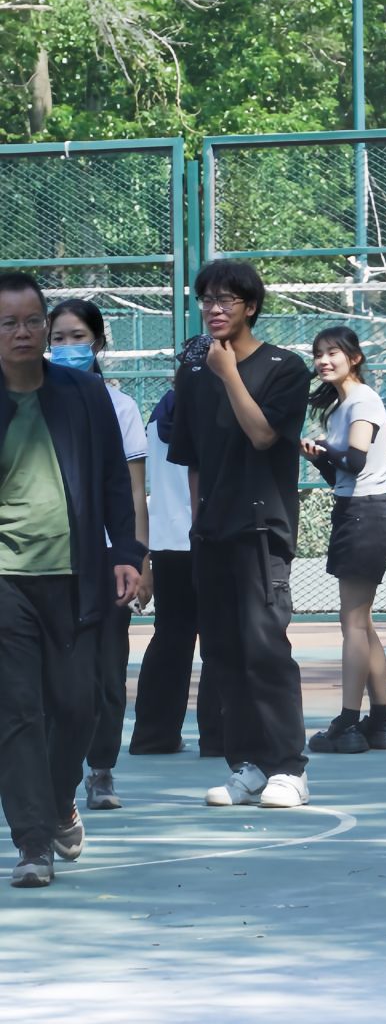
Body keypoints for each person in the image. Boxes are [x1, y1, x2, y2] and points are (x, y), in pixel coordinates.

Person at [0, 272, 142, 888]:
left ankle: (60, 801)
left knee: (78, 705)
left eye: (32, 320)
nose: (23, 332)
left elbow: (114, 477)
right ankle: (33, 844)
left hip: (77, 575)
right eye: (8, 323)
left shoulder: (83, 394)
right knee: (18, 712)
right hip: (6, 580)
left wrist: (127, 551)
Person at [168, 261, 314, 811]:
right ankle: (247, 765)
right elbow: (192, 460)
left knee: (264, 648)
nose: (214, 308)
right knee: (223, 653)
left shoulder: (284, 368)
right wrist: (197, 523)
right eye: (207, 299)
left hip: (261, 530)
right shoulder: (193, 373)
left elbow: (262, 435)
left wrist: (228, 372)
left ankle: (289, 767)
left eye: (226, 299)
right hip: (212, 533)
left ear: (250, 306)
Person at [47, 299, 150, 812]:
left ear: (98, 343)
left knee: (107, 672)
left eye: (77, 337)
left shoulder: (119, 406)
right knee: (55, 675)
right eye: (58, 338)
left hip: (107, 560)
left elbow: (132, 491)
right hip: (49, 560)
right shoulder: (32, 402)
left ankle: (101, 768)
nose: (68, 347)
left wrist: (138, 558)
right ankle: (54, 775)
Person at [300, 327, 386, 755]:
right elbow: (340, 473)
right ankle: (381, 723)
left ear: (354, 357)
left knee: (353, 624)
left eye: (333, 353)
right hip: (355, 513)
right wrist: (318, 457)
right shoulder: (341, 406)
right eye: (318, 353)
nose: (324, 360)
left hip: (365, 516)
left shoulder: (362, 400)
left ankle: (348, 722)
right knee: (363, 623)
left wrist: (323, 449)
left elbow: (355, 461)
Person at [128, 372, 223, 759]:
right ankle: (218, 737)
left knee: (170, 638)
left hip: (167, 541)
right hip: (209, 538)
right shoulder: (213, 412)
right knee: (219, 639)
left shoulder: (158, 417)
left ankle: (154, 735)